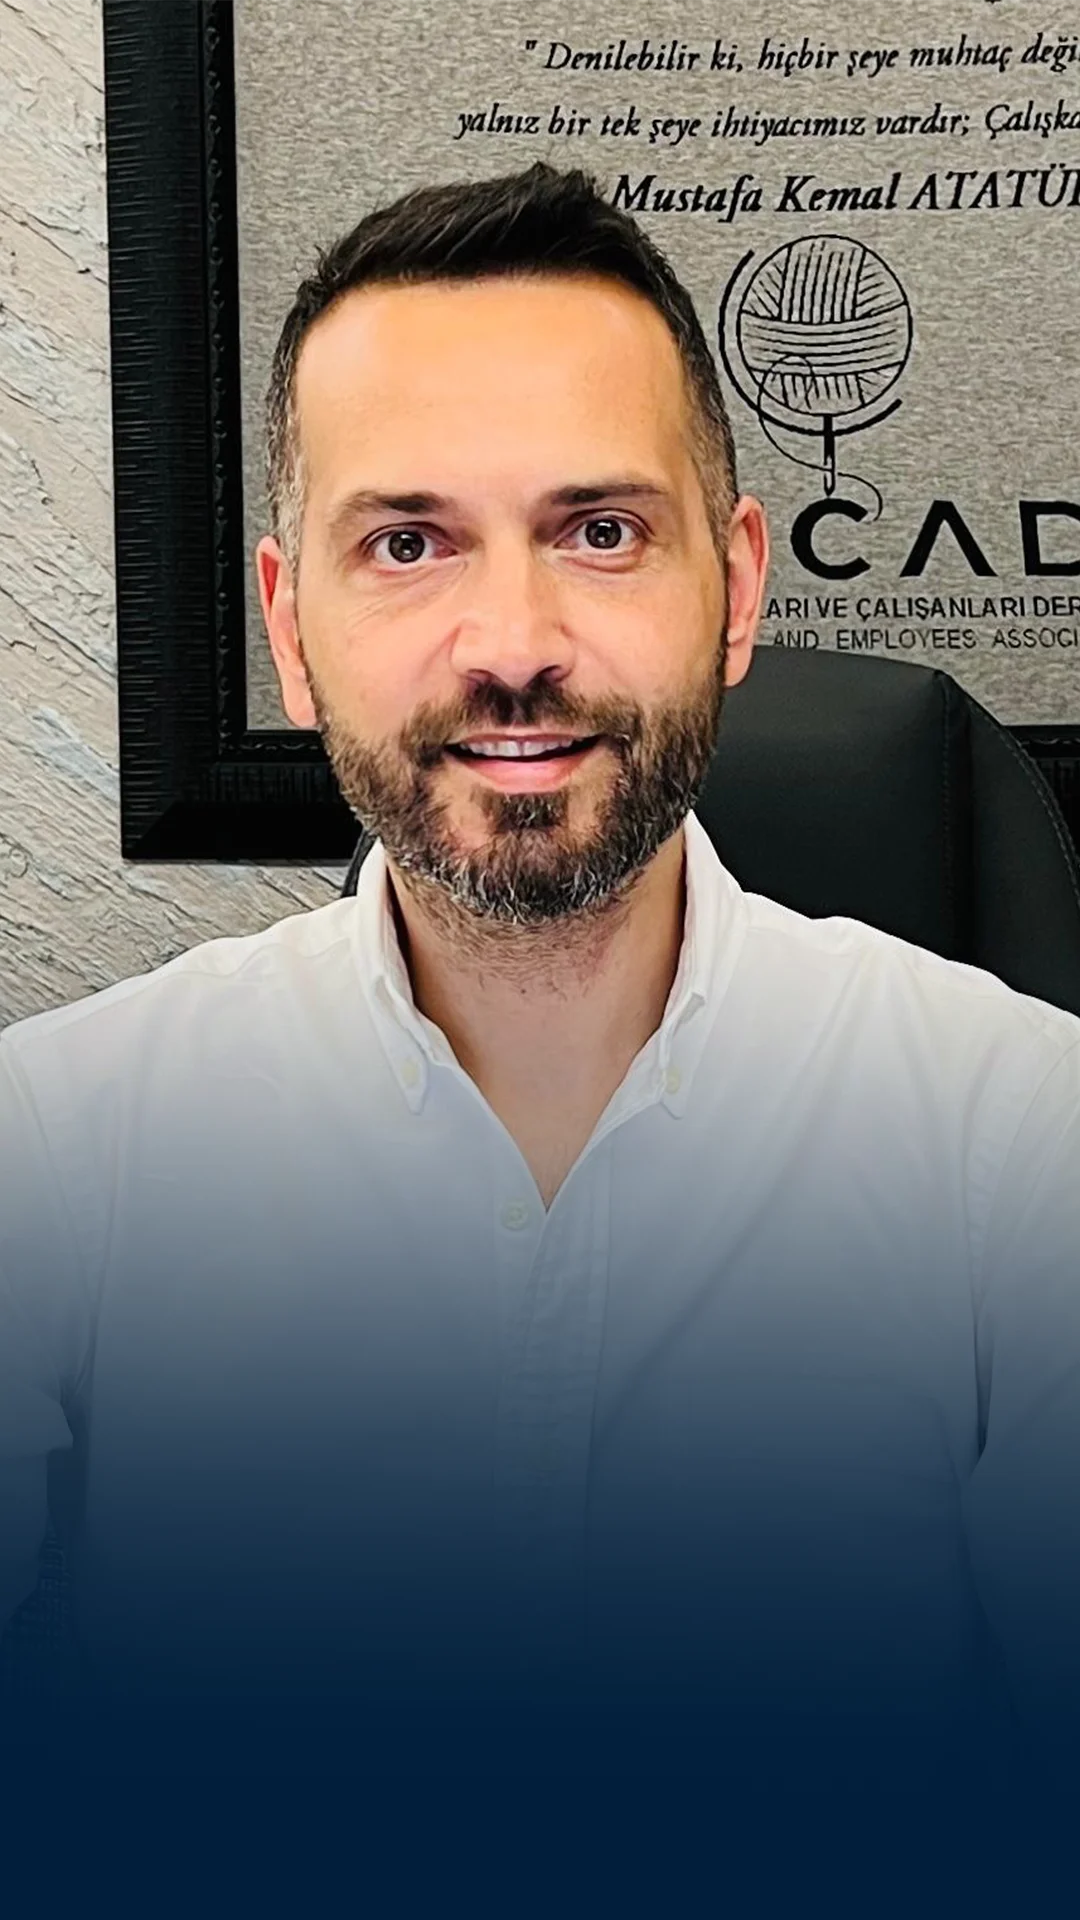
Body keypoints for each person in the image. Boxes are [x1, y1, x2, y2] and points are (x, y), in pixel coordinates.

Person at [1, 163, 1079, 1816]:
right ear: (291, 628)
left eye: (598, 531)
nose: (512, 639)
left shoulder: (1025, 1141)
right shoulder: (57, 1159)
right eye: (411, 541)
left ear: (737, 589)